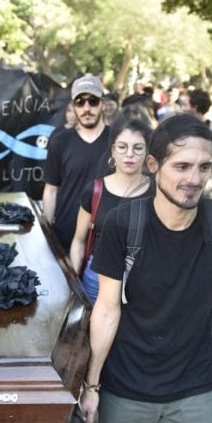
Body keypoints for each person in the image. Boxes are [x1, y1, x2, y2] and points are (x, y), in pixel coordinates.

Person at [80, 114, 212, 423]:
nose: (193, 179)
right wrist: (92, 384)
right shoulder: (122, 224)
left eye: (205, 167)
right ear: (154, 165)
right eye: (182, 166)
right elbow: (106, 309)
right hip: (125, 387)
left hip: (194, 386)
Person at [69, 118, 152, 303]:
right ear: (113, 150)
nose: (129, 154)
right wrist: (73, 282)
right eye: (122, 147)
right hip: (96, 278)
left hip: (143, 281)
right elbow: (79, 240)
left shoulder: (158, 192)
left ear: (147, 152)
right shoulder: (95, 190)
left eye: (138, 148)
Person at [43, 75, 110, 252]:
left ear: (102, 104)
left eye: (93, 101)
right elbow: (51, 190)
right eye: (80, 102)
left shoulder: (117, 141)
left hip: (106, 241)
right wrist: (46, 234)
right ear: (73, 106)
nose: (87, 108)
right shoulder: (60, 141)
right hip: (65, 235)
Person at [184, 89, 212, 194]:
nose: (183, 108)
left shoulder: (179, 127)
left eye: (186, 105)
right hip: (204, 181)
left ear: (194, 107)